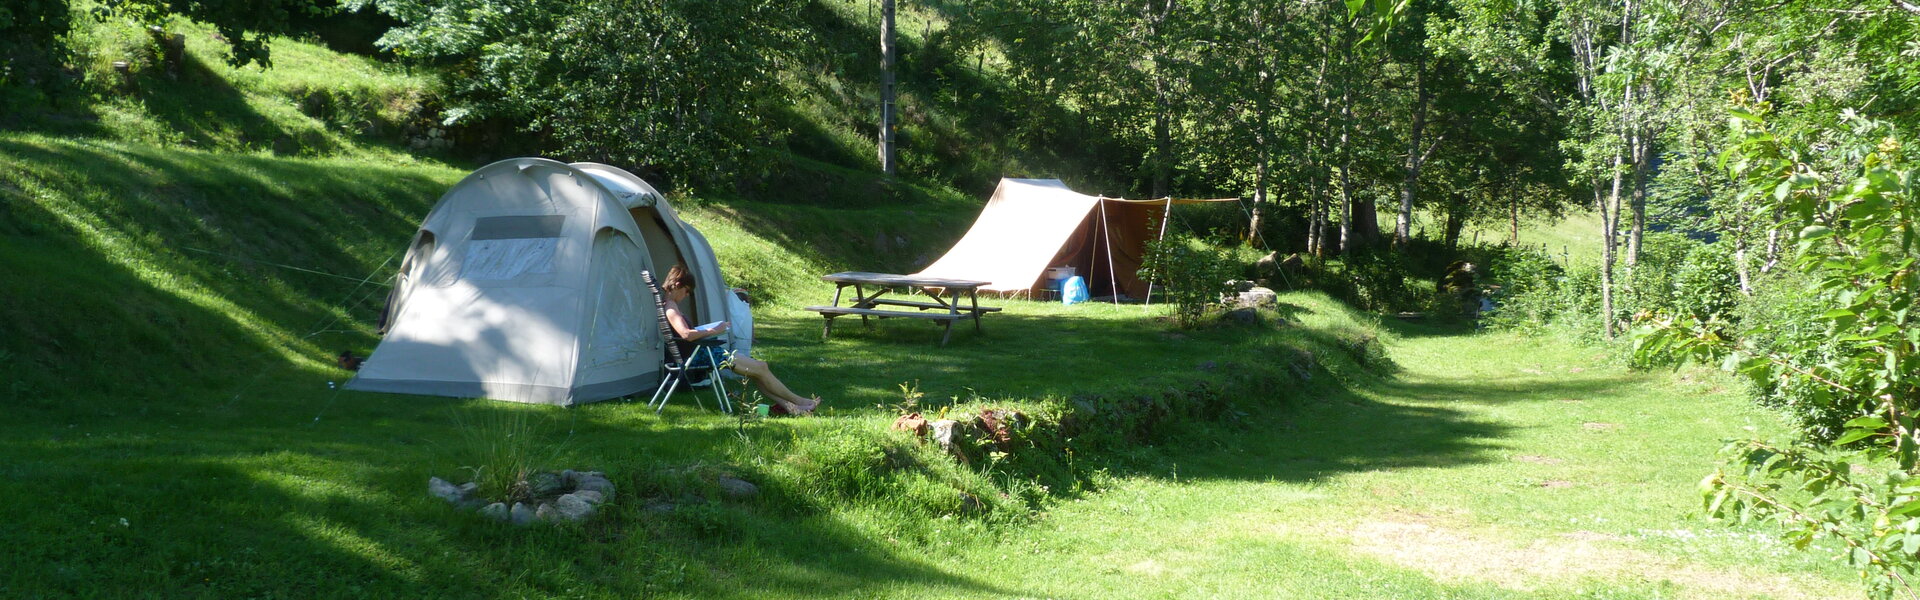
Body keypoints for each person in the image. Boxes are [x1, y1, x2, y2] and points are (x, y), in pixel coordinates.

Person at [660, 264, 820, 415]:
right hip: (701, 356)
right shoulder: (671, 308)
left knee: (758, 370)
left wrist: (706, 331)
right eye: (687, 291)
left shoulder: (669, 305)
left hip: (703, 352)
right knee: (761, 367)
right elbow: (686, 334)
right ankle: (801, 402)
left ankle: (793, 408)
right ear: (678, 284)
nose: (687, 295)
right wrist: (714, 329)